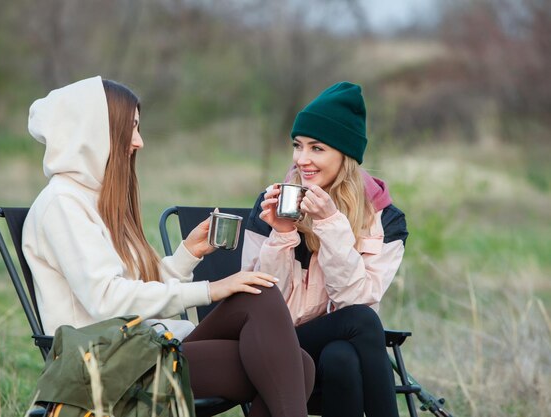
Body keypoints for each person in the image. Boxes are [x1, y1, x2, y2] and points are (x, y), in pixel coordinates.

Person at [22, 76, 314, 417]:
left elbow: (132, 287)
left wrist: (185, 256)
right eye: (129, 128)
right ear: (95, 133)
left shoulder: (96, 200)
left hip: (142, 347)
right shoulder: (63, 204)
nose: (139, 141)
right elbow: (107, 300)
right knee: (291, 362)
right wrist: (211, 290)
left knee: (280, 334)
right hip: (106, 363)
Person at [241, 82, 408, 417]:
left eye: (317, 148)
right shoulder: (273, 204)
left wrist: (331, 224)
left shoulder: (385, 219)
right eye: (298, 146)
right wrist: (283, 233)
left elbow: (355, 300)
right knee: (361, 322)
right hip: (268, 341)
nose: (302, 159)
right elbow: (258, 299)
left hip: (330, 345)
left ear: (345, 155)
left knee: (341, 358)